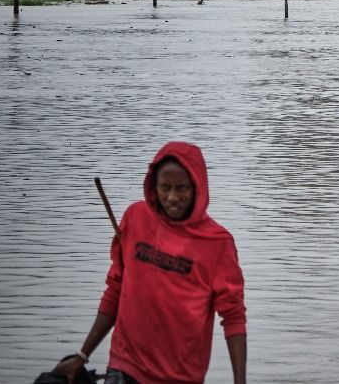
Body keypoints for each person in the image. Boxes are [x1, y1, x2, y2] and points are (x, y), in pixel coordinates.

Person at [54, 142, 247, 384]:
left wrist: (240, 381)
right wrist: (82, 357)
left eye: (182, 188)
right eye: (165, 187)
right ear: (154, 187)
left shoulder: (217, 243)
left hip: (180, 377)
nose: (173, 197)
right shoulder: (135, 219)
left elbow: (233, 316)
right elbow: (116, 290)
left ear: (197, 188)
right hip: (124, 366)